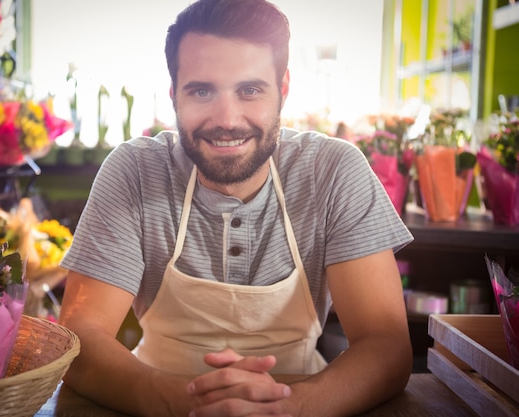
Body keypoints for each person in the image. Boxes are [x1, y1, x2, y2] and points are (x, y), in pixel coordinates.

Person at [58, 0, 414, 415]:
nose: (227, 119)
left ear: (282, 88)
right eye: (202, 90)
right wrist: (184, 407)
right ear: (174, 95)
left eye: (249, 90)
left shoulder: (334, 171)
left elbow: (386, 345)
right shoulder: (134, 170)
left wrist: (287, 409)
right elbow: (79, 337)